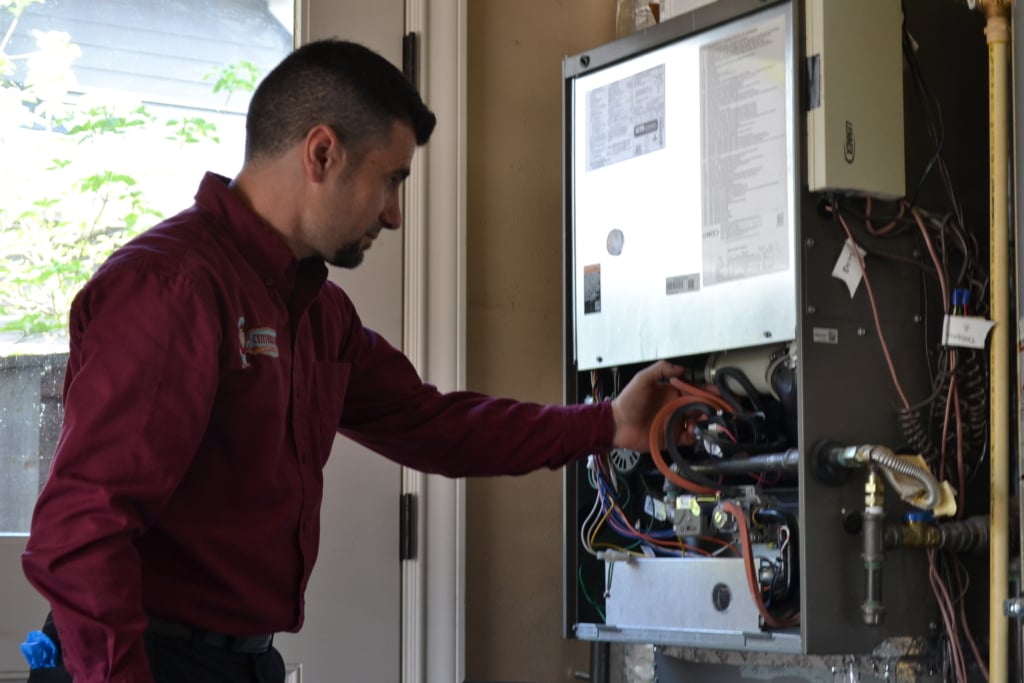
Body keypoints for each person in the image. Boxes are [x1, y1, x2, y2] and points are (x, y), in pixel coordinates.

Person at [20, 39, 686, 683]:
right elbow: (79, 532)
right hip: (143, 657)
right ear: (322, 152)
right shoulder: (175, 288)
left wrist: (607, 424)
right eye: (390, 180)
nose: (394, 215)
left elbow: (436, 424)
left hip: (241, 661)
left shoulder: (317, 313)